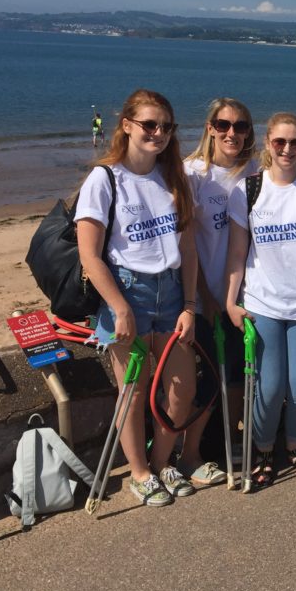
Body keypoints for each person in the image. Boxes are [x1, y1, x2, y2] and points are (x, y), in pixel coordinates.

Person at [76, 89, 199, 506]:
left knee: (182, 387)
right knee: (132, 389)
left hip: (171, 289)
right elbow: (90, 256)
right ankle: (140, 473)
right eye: (149, 124)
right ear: (126, 124)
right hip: (127, 288)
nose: (159, 132)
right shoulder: (105, 178)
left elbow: (188, 249)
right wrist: (120, 307)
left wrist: (189, 304)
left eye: (166, 126)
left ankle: (162, 461)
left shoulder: (172, 176)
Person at [225, 113, 296, 486]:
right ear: (268, 145)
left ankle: (295, 447)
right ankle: (262, 450)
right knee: (269, 385)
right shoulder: (248, 191)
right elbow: (236, 254)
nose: (287, 150)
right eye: (280, 142)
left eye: (295, 143)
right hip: (263, 305)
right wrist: (231, 300)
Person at [181, 97, 258, 485]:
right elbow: (187, 243)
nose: (232, 133)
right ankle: (195, 453)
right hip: (208, 298)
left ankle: (232, 442)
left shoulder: (257, 171)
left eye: (240, 125)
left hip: (252, 297)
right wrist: (204, 298)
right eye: (224, 124)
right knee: (213, 377)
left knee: (243, 376)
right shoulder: (192, 174)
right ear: (210, 126)